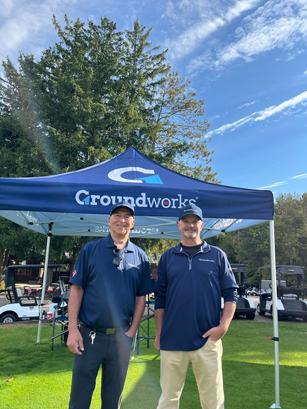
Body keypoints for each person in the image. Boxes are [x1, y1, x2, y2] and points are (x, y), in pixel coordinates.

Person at [67, 201, 153, 409]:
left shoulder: (140, 257)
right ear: (109, 220)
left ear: (133, 223)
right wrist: (72, 329)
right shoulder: (91, 250)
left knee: (112, 401)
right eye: (117, 215)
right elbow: (76, 289)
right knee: (79, 399)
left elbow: (142, 296)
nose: (122, 220)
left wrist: (132, 331)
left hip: (120, 338)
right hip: (89, 336)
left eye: (127, 217)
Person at [154, 203, 238, 409]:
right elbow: (160, 299)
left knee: (213, 402)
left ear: (202, 225)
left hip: (207, 340)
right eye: (186, 221)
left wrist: (223, 326)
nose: (190, 225)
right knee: (168, 400)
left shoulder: (217, 255)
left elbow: (231, 293)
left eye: (195, 221)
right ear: (178, 224)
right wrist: (158, 334)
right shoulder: (167, 257)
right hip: (172, 340)